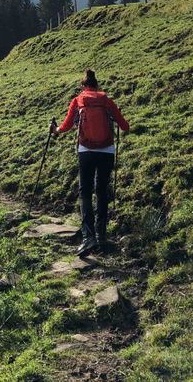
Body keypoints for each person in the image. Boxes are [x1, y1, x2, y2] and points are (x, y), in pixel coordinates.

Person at [52, 69, 129, 256]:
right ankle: (101, 235)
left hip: (85, 151)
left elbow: (66, 126)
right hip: (107, 151)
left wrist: (55, 130)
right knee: (101, 190)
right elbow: (125, 126)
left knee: (85, 192)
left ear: (83, 86)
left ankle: (88, 237)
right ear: (97, 85)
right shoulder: (107, 100)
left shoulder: (78, 100)